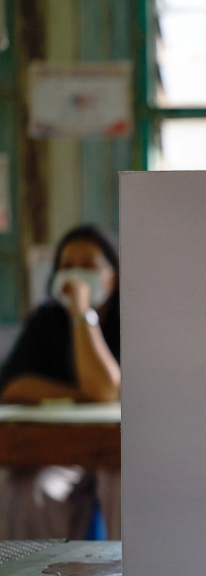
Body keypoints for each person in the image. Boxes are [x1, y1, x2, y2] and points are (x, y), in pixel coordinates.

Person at [0, 224, 121, 540]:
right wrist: (83, 395)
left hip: (120, 447)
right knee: (27, 488)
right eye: (67, 267)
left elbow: (107, 388)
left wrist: (83, 315)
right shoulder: (46, 319)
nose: (76, 276)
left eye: (88, 267)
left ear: (114, 275)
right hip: (61, 449)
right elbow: (14, 386)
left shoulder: (131, 317)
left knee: (124, 484)